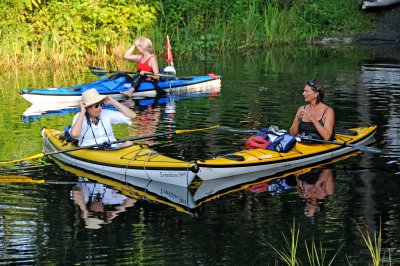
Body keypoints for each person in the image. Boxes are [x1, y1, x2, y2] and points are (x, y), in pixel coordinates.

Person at [70, 88, 136, 147]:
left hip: (113, 148)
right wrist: (82, 112)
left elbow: (132, 116)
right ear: (87, 108)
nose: (100, 108)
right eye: (96, 106)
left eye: (101, 105)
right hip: (91, 150)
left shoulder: (106, 113)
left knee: (129, 143)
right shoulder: (79, 116)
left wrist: (113, 102)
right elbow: (74, 134)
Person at [71, 181, 137, 229]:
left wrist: (84, 209)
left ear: (89, 210)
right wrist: (120, 209)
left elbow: (76, 191)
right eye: (101, 214)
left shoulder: (83, 199)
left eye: (95, 213)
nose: (99, 210)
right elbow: (134, 198)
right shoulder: (109, 200)